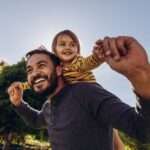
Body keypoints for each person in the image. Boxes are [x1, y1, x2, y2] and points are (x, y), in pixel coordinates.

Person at [8, 36, 150, 150]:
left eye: (41, 66)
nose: (35, 74)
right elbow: (36, 121)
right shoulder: (48, 106)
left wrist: (139, 76)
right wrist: (19, 104)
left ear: (58, 70)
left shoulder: (86, 92)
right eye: (29, 70)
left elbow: (143, 130)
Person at [51, 29, 124, 149]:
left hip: (93, 94)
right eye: (62, 44)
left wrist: (97, 57)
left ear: (77, 50)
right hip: (77, 100)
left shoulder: (77, 61)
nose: (68, 47)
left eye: (72, 45)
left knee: (110, 129)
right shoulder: (56, 68)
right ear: (54, 50)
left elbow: (88, 63)